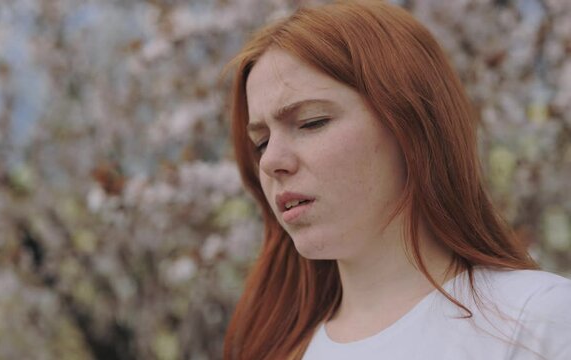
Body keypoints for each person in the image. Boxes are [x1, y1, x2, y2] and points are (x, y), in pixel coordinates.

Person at [222, 1, 571, 359]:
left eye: (312, 121)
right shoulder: (276, 349)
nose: (272, 161)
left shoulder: (536, 322)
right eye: (261, 142)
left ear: (411, 125)